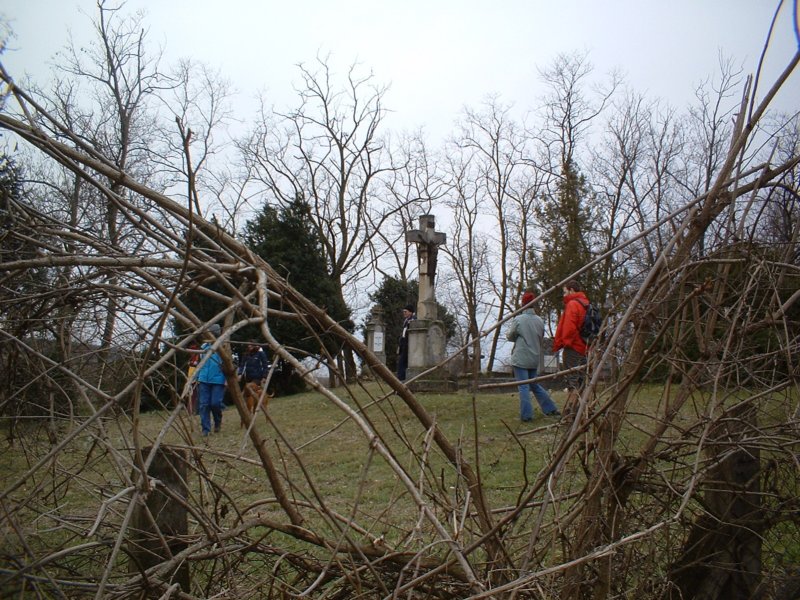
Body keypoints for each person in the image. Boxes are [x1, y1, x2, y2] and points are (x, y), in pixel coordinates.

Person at [507, 290, 560, 422]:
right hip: (534, 357)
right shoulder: (539, 321)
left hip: (521, 358)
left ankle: (526, 416)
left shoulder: (518, 319)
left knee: (524, 386)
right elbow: (540, 336)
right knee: (534, 384)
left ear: (523, 304)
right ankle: (551, 408)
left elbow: (510, 336)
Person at [553, 279, 590, 415]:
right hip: (584, 347)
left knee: (572, 380)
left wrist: (566, 343)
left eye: (565, 292)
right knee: (581, 379)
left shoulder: (573, 304)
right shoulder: (586, 303)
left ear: (571, 290)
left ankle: (571, 410)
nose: (564, 295)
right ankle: (581, 409)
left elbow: (569, 327)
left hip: (573, 347)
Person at [194, 324, 226, 436]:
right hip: (203, 380)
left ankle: (218, 422)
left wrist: (226, 379)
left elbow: (227, 364)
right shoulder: (203, 348)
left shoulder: (222, 347)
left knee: (215, 403)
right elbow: (200, 364)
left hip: (218, 380)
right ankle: (205, 430)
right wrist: (196, 377)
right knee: (203, 405)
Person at [396, 303, 416, 381]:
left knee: (402, 361)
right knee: (401, 361)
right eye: (403, 312)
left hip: (408, 343)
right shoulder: (406, 320)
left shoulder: (413, 320)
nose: (404, 313)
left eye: (406, 311)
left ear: (410, 312)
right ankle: (401, 378)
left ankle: (401, 378)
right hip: (403, 343)